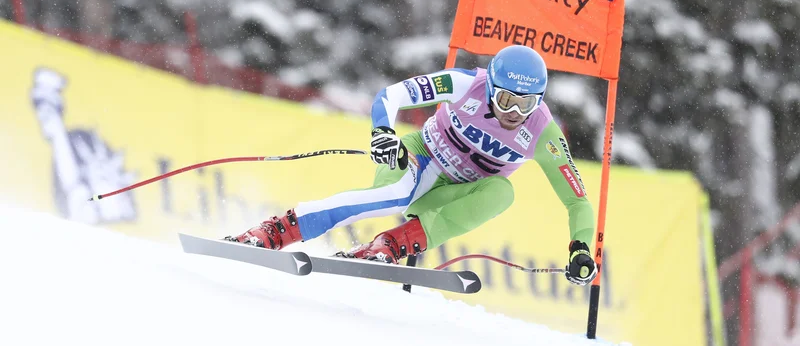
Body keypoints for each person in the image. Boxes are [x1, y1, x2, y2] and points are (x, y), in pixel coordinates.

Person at [225, 44, 598, 286]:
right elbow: (393, 95)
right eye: (504, 100)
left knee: (502, 192)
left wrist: (581, 247)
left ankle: (390, 244)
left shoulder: (543, 133)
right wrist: (383, 132)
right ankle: (277, 230)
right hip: (419, 157)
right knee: (394, 195)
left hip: (453, 193)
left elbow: (577, 199)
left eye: (525, 104)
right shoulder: (465, 83)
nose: (513, 114)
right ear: (490, 88)